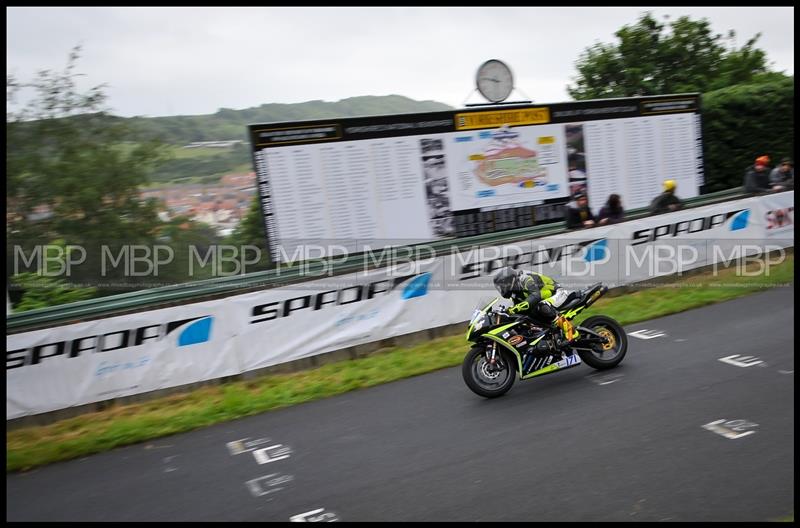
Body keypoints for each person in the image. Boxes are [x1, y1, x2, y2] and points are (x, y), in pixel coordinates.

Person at [492, 267, 578, 355]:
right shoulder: (515, 293)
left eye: (502, 285)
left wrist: (515, 308)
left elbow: (535, 295)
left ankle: (571, 331)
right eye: (500, 287)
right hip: (544, 298)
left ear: (509, 280)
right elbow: (520, 311)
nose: (502, 289)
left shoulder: (525, 279)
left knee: (543, 306)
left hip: (557, 293)